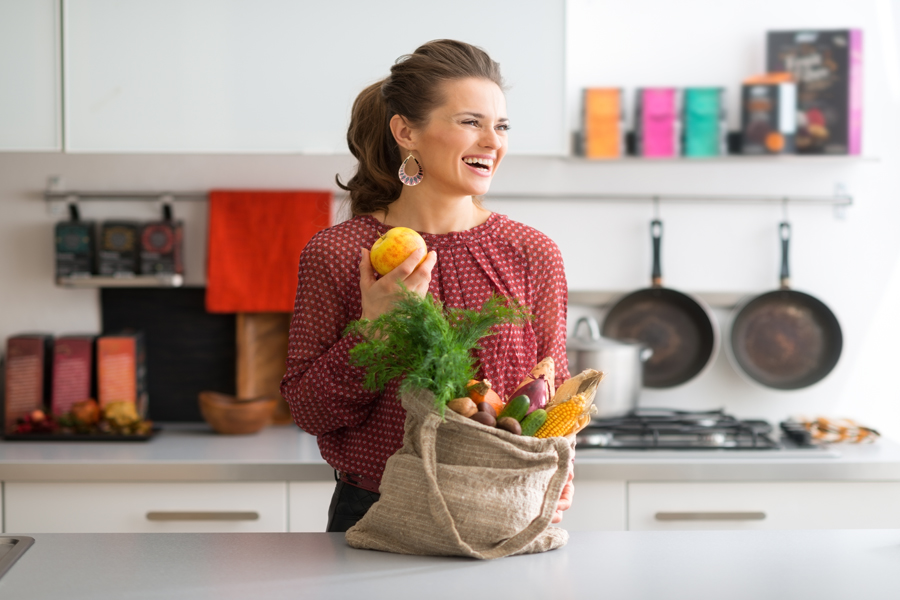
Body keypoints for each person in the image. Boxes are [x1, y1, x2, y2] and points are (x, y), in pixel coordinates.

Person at [280, 39, 573, 533]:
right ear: (406, 131)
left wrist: (563, 472)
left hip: (508, 509)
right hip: (379, 512)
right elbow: (309, 412)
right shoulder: (338, 253)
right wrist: (374, 331)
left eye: (500, 126)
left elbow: (554, 395)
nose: (493, 141)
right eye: (470, 122)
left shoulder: (531, 252)